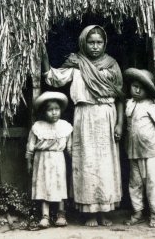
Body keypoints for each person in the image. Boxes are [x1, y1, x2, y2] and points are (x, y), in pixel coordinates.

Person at [43, 25, 124, 227]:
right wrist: (42, 55)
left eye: (99, 42)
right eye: (91, 42)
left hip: (107, 116)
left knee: (106, 165)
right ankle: (89, 212)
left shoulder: (112, 65)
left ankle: (104, 212)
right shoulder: (76, 63)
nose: (95, 46)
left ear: (105, 43)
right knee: (87, 165)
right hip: (84, 116)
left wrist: (120, 123)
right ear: (83, 42)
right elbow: (54, 77)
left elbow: (120, 96)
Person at [122, 68, 155, 228]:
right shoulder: (129, 104)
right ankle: (137, 211)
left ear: (148, 90)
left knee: (152, 182)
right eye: (134, 86)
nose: (137, 90)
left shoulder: (151, 105)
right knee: (135, 183)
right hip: (133, 150)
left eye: (141, 87)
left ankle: (154, 214)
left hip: (150, 150)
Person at [26, 91, 73, 228]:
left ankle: (61, 214)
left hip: (58, 159)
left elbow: (70, 147)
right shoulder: (37, 127)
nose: (54, 113)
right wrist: (28, 161)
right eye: (50, 110)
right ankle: (45, 216)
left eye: (57, 109)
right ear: (44, 111)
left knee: (60, 185)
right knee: (44, 185)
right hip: (42, 160)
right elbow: (30, 147)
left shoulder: (65, 126)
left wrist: (75, 161)